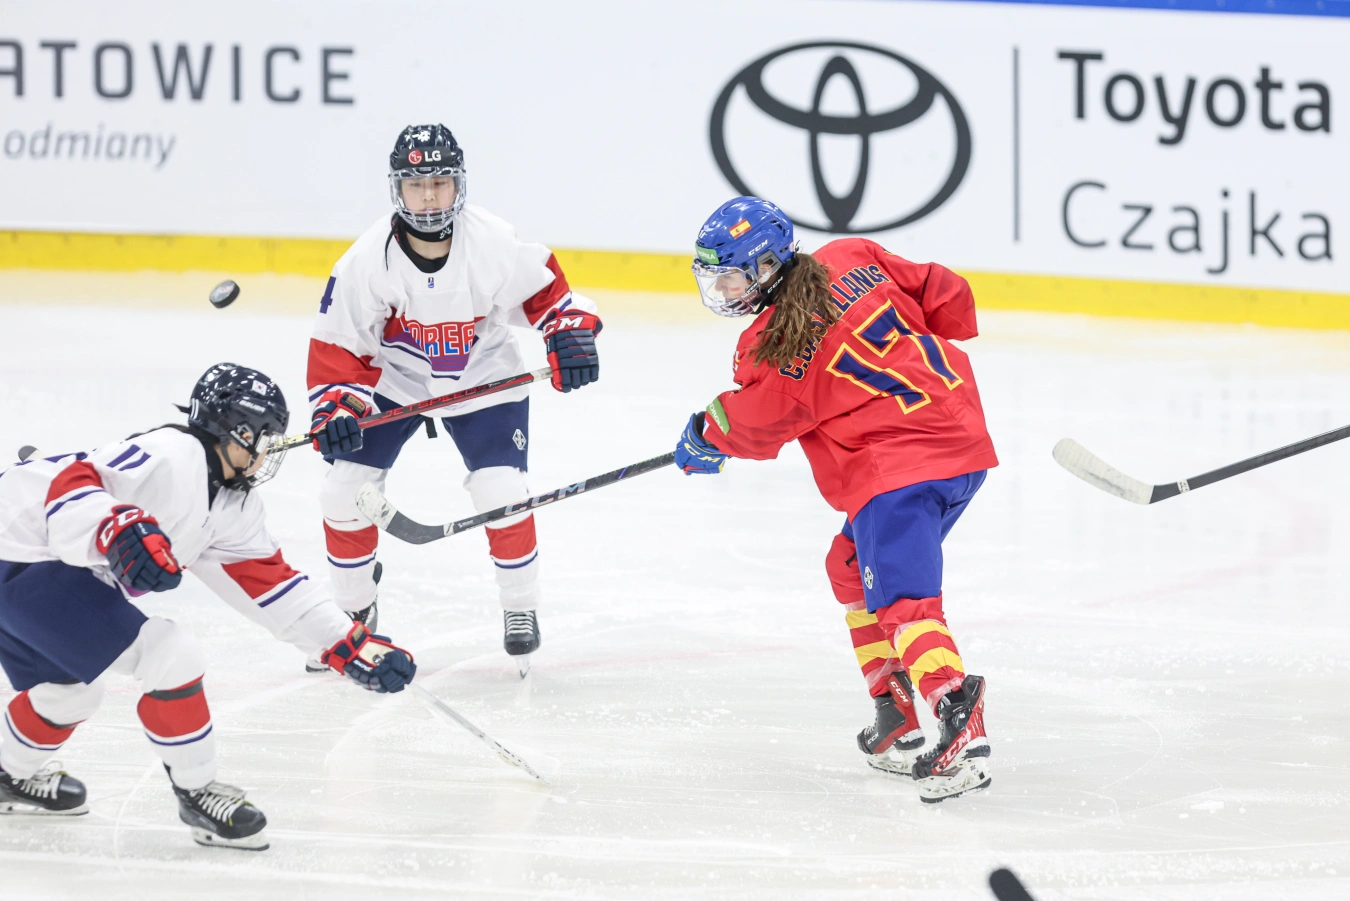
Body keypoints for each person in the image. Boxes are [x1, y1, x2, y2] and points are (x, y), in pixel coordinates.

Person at [0, 364, 416, 848]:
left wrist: (347, 643)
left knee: (68, 694)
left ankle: (8, 774)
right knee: (170, 654)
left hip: (31, 568)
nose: (269, 452)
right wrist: (113, 526)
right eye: (266, 438)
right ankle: (198, 793)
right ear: (240, 432)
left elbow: (275, 588)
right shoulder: (171, 454)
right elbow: (73, 483)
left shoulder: (233, 507)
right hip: (21, 558)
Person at [674, 197, 998, 803]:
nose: (720, 289)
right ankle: (895, 711)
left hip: (898, 471)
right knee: (849, 566)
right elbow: (945, 291)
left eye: (731, 276)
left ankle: (958, 714)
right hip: (961, 443)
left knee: (904, 602)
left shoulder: (773, 344)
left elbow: (758, 420)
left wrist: (705, 433)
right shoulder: (853, 255)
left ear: (766, 267)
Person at [306, 123, 601, 677]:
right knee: (343, 491)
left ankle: (520, 606)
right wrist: (337, 408)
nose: (428, 197)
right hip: (397, 382)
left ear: (458, 185)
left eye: (440, 183)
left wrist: (569, 335)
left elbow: (550, 296)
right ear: (397, 188)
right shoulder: (367, 260)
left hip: (482, 375)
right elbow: (340, 345)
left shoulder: (491, 242)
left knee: (502, 491)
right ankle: (352, 615)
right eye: (416, 185)